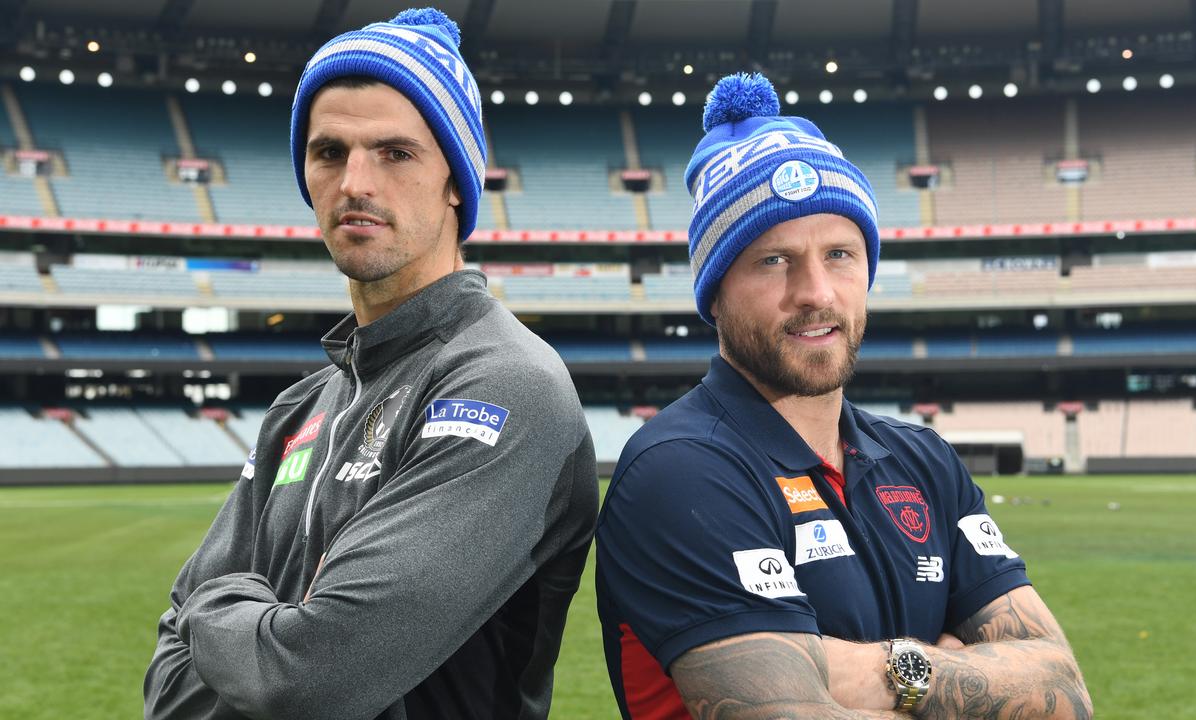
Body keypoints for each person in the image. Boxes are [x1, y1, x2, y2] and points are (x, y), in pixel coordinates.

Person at [143, 8, 598, 719]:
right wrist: (270, 631)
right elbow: (165, 686)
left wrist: (217, 608)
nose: (356, 181)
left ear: (457, 180)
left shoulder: (507, 385)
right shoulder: (297, 409)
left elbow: (313, 676)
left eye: (396, 153)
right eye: (329, 153)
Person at [595, 73, 1091, 719]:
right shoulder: (680, 467)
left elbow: (1065, 691)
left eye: (840, 254)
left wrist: (888, 672)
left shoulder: (925, 460)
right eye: (774, 260)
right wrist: (961, 677)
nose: (817, 292)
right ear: (715, 292)